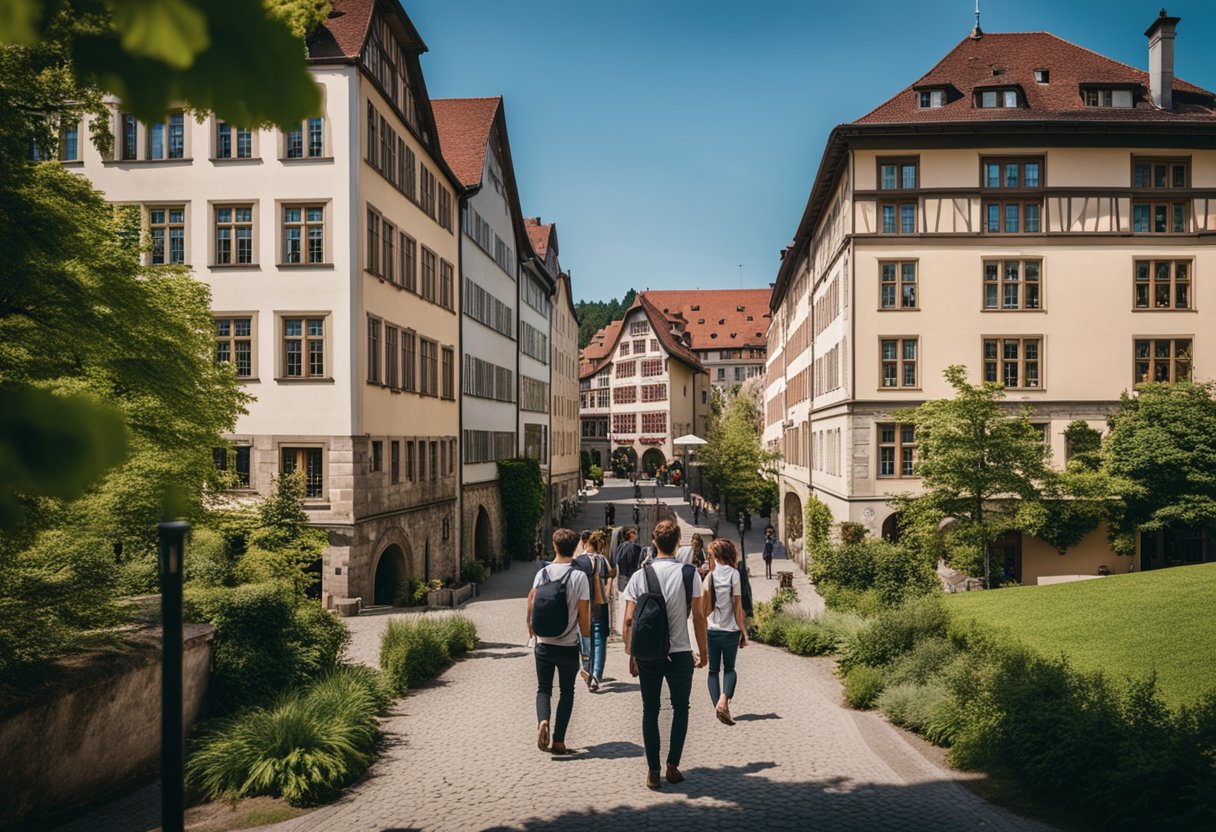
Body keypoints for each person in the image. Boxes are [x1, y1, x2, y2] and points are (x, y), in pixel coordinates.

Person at [623, 520, 709, 789]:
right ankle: (672, 766)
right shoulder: (689, 573)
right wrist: (703, 651)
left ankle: (652, 771)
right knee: (681, 709)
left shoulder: (640, 575)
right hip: (680, 652)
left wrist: (631, 653)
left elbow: (628, 621)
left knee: (650, 710)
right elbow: (698, 617)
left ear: (654, 543)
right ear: (678, 544)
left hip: (648, 653)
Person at [526, 528, 591, 755]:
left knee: (544, 689)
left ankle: (543, 720)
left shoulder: (542, 574)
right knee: (567, 691)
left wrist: (531, 631)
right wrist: (586, 648)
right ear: (575, 549)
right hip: (567, 645)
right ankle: (559, 741)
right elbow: (584, 616)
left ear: (554, 546)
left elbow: (531, 603)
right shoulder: (579, 576)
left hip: (543, 643)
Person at [700, 538, 748, 725]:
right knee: (729, 668)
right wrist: (743, 630)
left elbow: (702, 607)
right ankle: (723, 701)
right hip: (730, 630)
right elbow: (738, 605)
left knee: (713, 671)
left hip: (711, 629)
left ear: (716, 555)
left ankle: (718, 707)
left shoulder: (709, 576)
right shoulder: (734, 575)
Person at [574, 530, 614, 690]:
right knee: (600, 640)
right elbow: (611, 575)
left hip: (584, 605)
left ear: (585, 543)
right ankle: (596, 676)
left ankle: (587, 668)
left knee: (585, 637)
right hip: (600, 605)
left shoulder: (579, 561)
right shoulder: (603, 560)